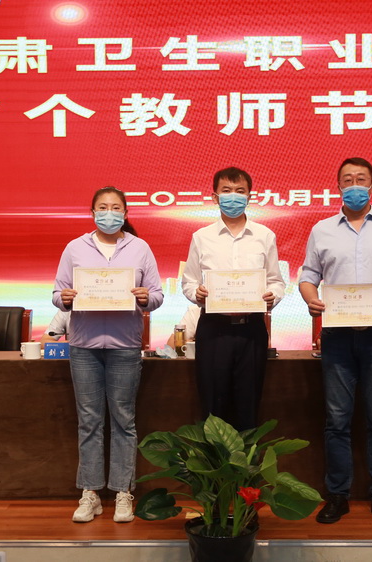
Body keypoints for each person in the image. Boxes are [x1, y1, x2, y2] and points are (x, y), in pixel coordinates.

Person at [299, 157, 372, 526]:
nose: (354, 185)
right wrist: (310, 299)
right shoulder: (322, 230)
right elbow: (308, 275)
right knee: (336, 420)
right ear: (338, 187)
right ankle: (337, 495)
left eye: (361, 179)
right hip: (336, 336)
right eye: (348, 180)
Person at [52, 186, 163, 525]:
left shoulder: (140, 248)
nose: (109, 213)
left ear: (126, 213)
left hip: (125, 345)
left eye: (116, 208)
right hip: (84, 345)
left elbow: (157, 296)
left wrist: (145, 298)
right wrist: (64, 298)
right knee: (89, 421)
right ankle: (90, 493)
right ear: (93, 213)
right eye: (103, 207)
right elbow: (57, 294)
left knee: (123, 420)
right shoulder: (75, 248)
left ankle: (123, 492)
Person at [181, 167, 285, 431]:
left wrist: (272, 296)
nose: (233, 196)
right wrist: (197, 293)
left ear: (250, 196)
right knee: (213, 408)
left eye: (240, 191)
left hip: (252, 330)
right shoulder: (201, 237)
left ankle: (245, 459)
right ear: (214, 196)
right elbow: (189, 282)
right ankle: (215, 460)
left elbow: (276, 281)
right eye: (226, 191)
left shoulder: (264, 235)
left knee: (248, 407)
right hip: (213, 330)